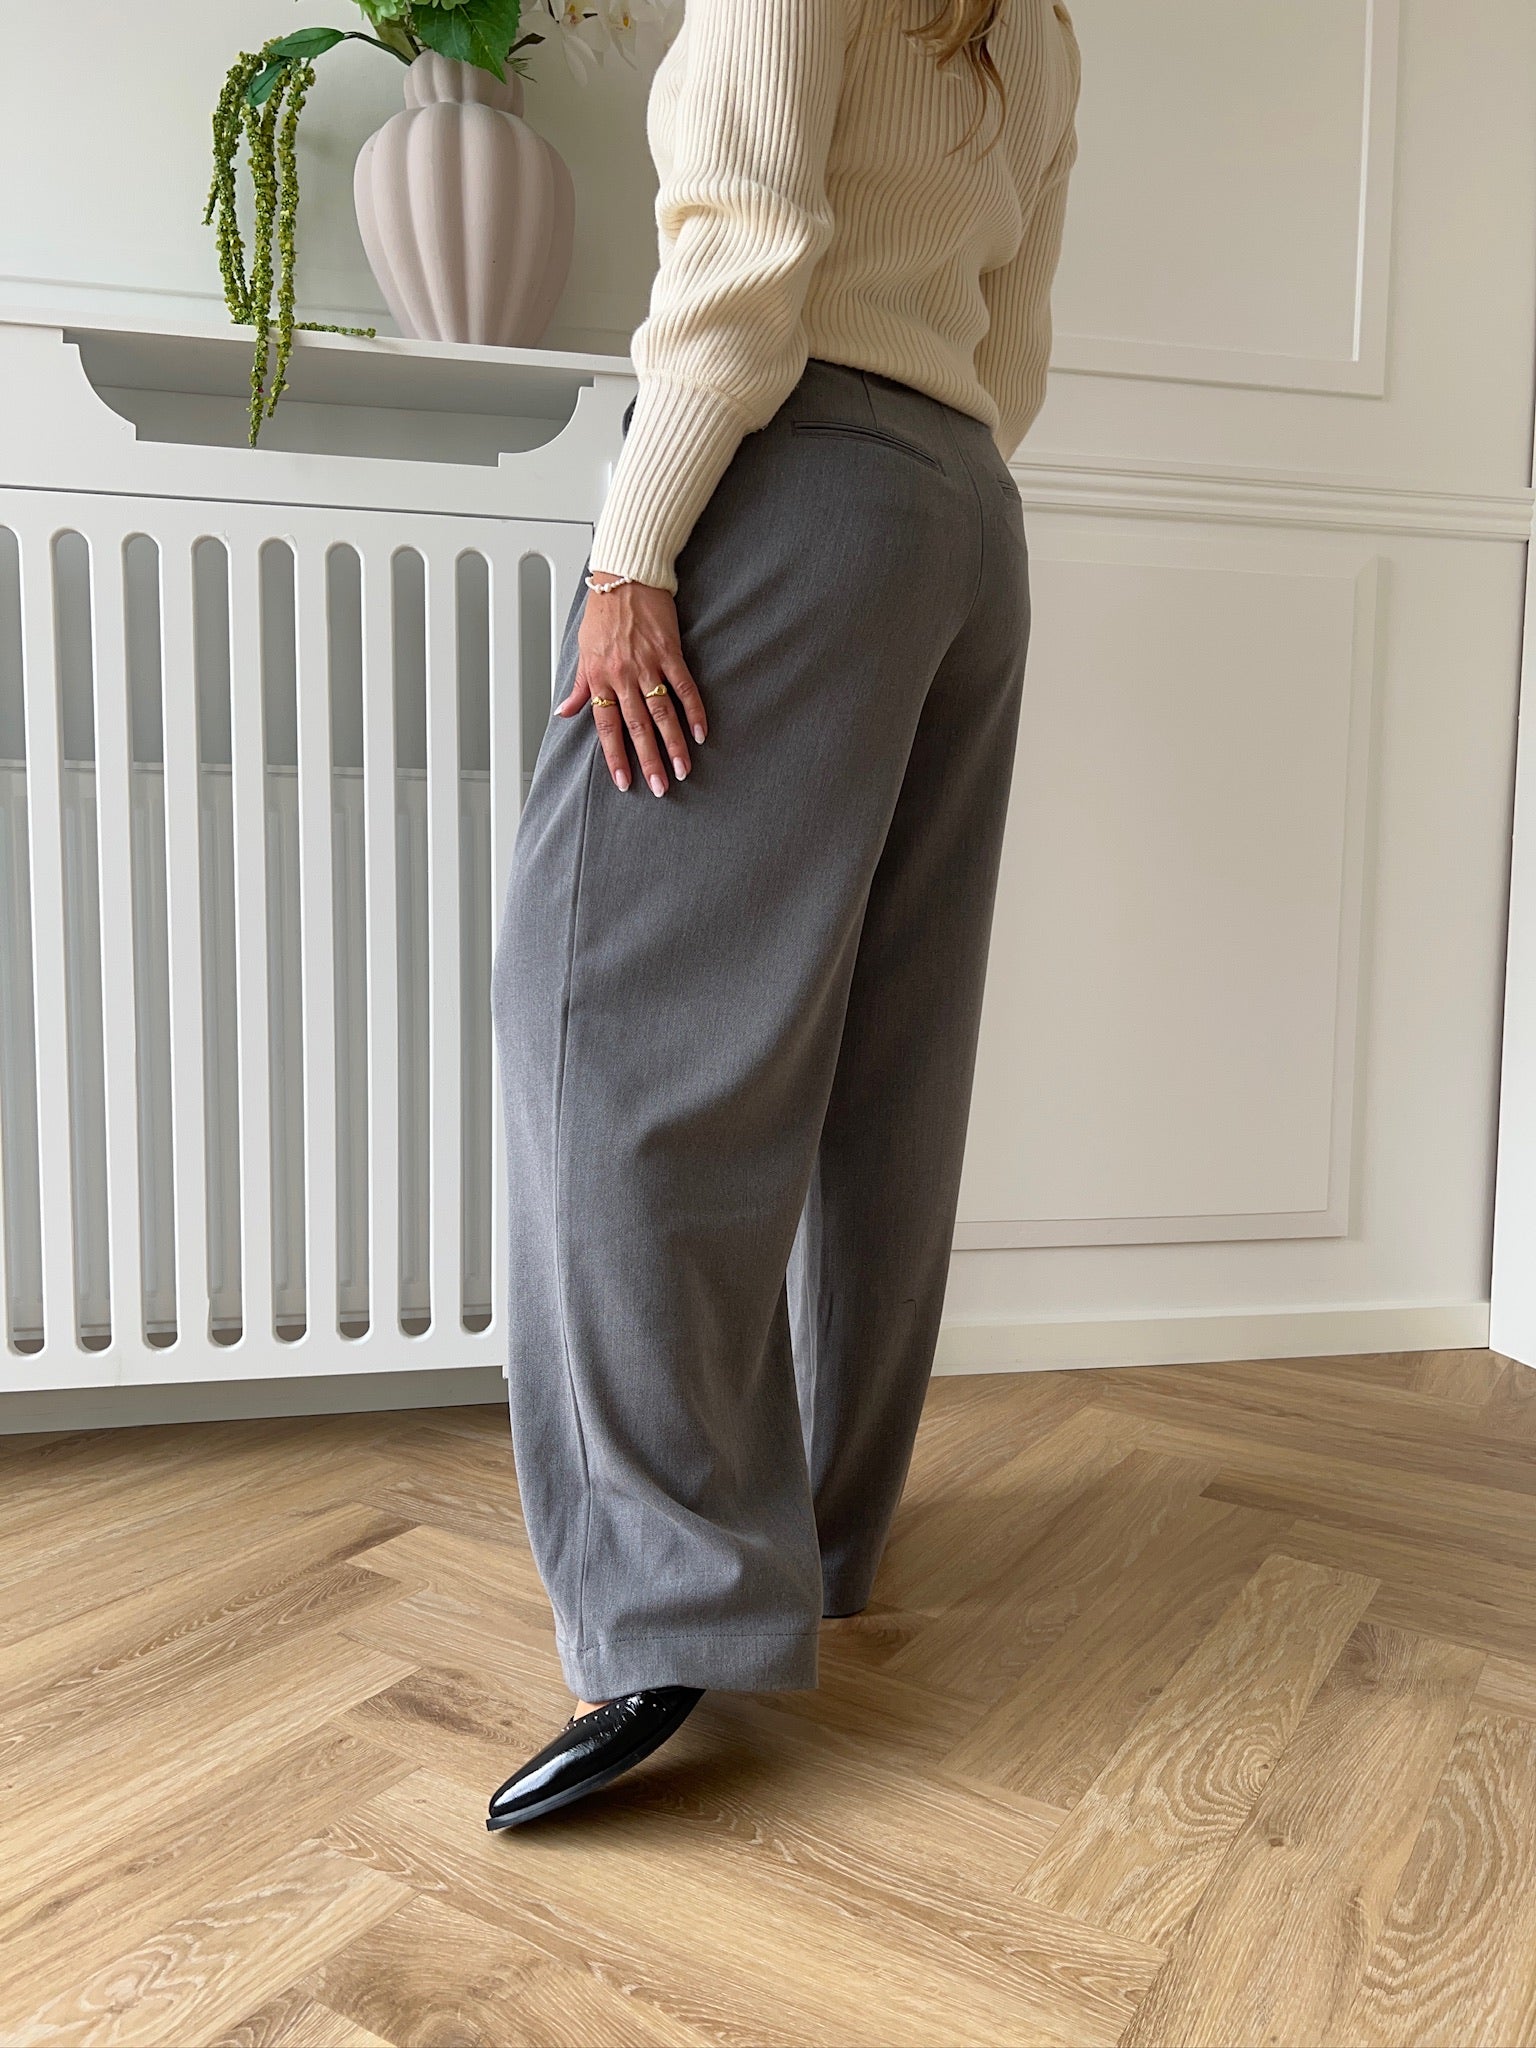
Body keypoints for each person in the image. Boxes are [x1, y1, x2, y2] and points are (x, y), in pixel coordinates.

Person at [486, 0, 1080, 1829]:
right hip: (962, 519)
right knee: (884, 1060)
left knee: (601, 1018)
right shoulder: (1041, 25)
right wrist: (917, 476)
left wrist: (634, 546)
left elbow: (745, 242)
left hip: (799, 468)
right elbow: (1014, 334)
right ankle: (820, 1535)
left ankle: (669, 1603)